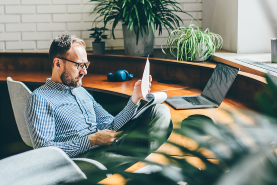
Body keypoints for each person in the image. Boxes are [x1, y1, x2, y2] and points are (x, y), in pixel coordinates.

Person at [25, 35, 172, 175]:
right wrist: (91, 140)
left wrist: (134, 99)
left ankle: (151, 161)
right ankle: (148, 167)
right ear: (58, 63)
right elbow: (44, 153)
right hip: (83, 158)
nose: (85, 71)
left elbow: (111, 125)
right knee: (133, 166)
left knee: (160, 110)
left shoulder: (81, 91)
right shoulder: (40, 98)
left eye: (86, 64)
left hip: (111, 143)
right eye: (79, 65)